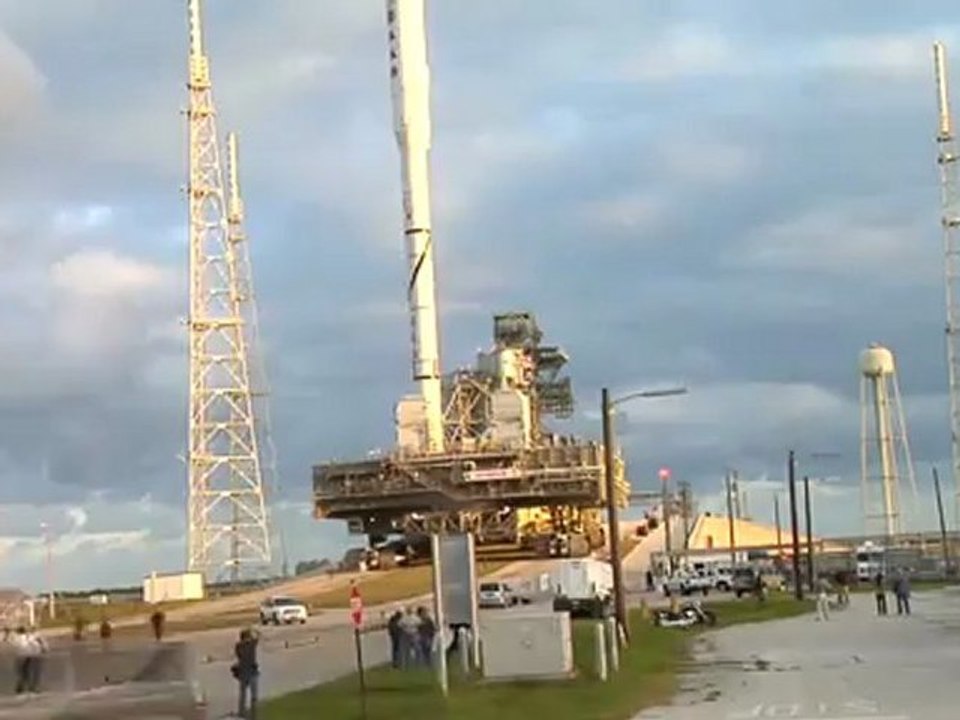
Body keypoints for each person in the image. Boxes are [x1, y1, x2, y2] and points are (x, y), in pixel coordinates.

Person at [233, 628, 260, 720]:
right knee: (254, 697)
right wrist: (253, 630)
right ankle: (254, 716)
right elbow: (259, 636)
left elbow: (238, 655)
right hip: (252, 672)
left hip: (243, 673)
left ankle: (242, 714)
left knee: (243, 696)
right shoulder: (251, 644)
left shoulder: (238, 646)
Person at [13, 626, 46, 693]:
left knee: (23, 672)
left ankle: (21, 686)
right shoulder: (34, 637)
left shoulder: (17, 638)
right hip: (34, 655)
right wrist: (43, 649)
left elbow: (15, 645)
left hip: (21, 656)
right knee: (35, 672)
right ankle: (33, 687)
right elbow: (42, 646)